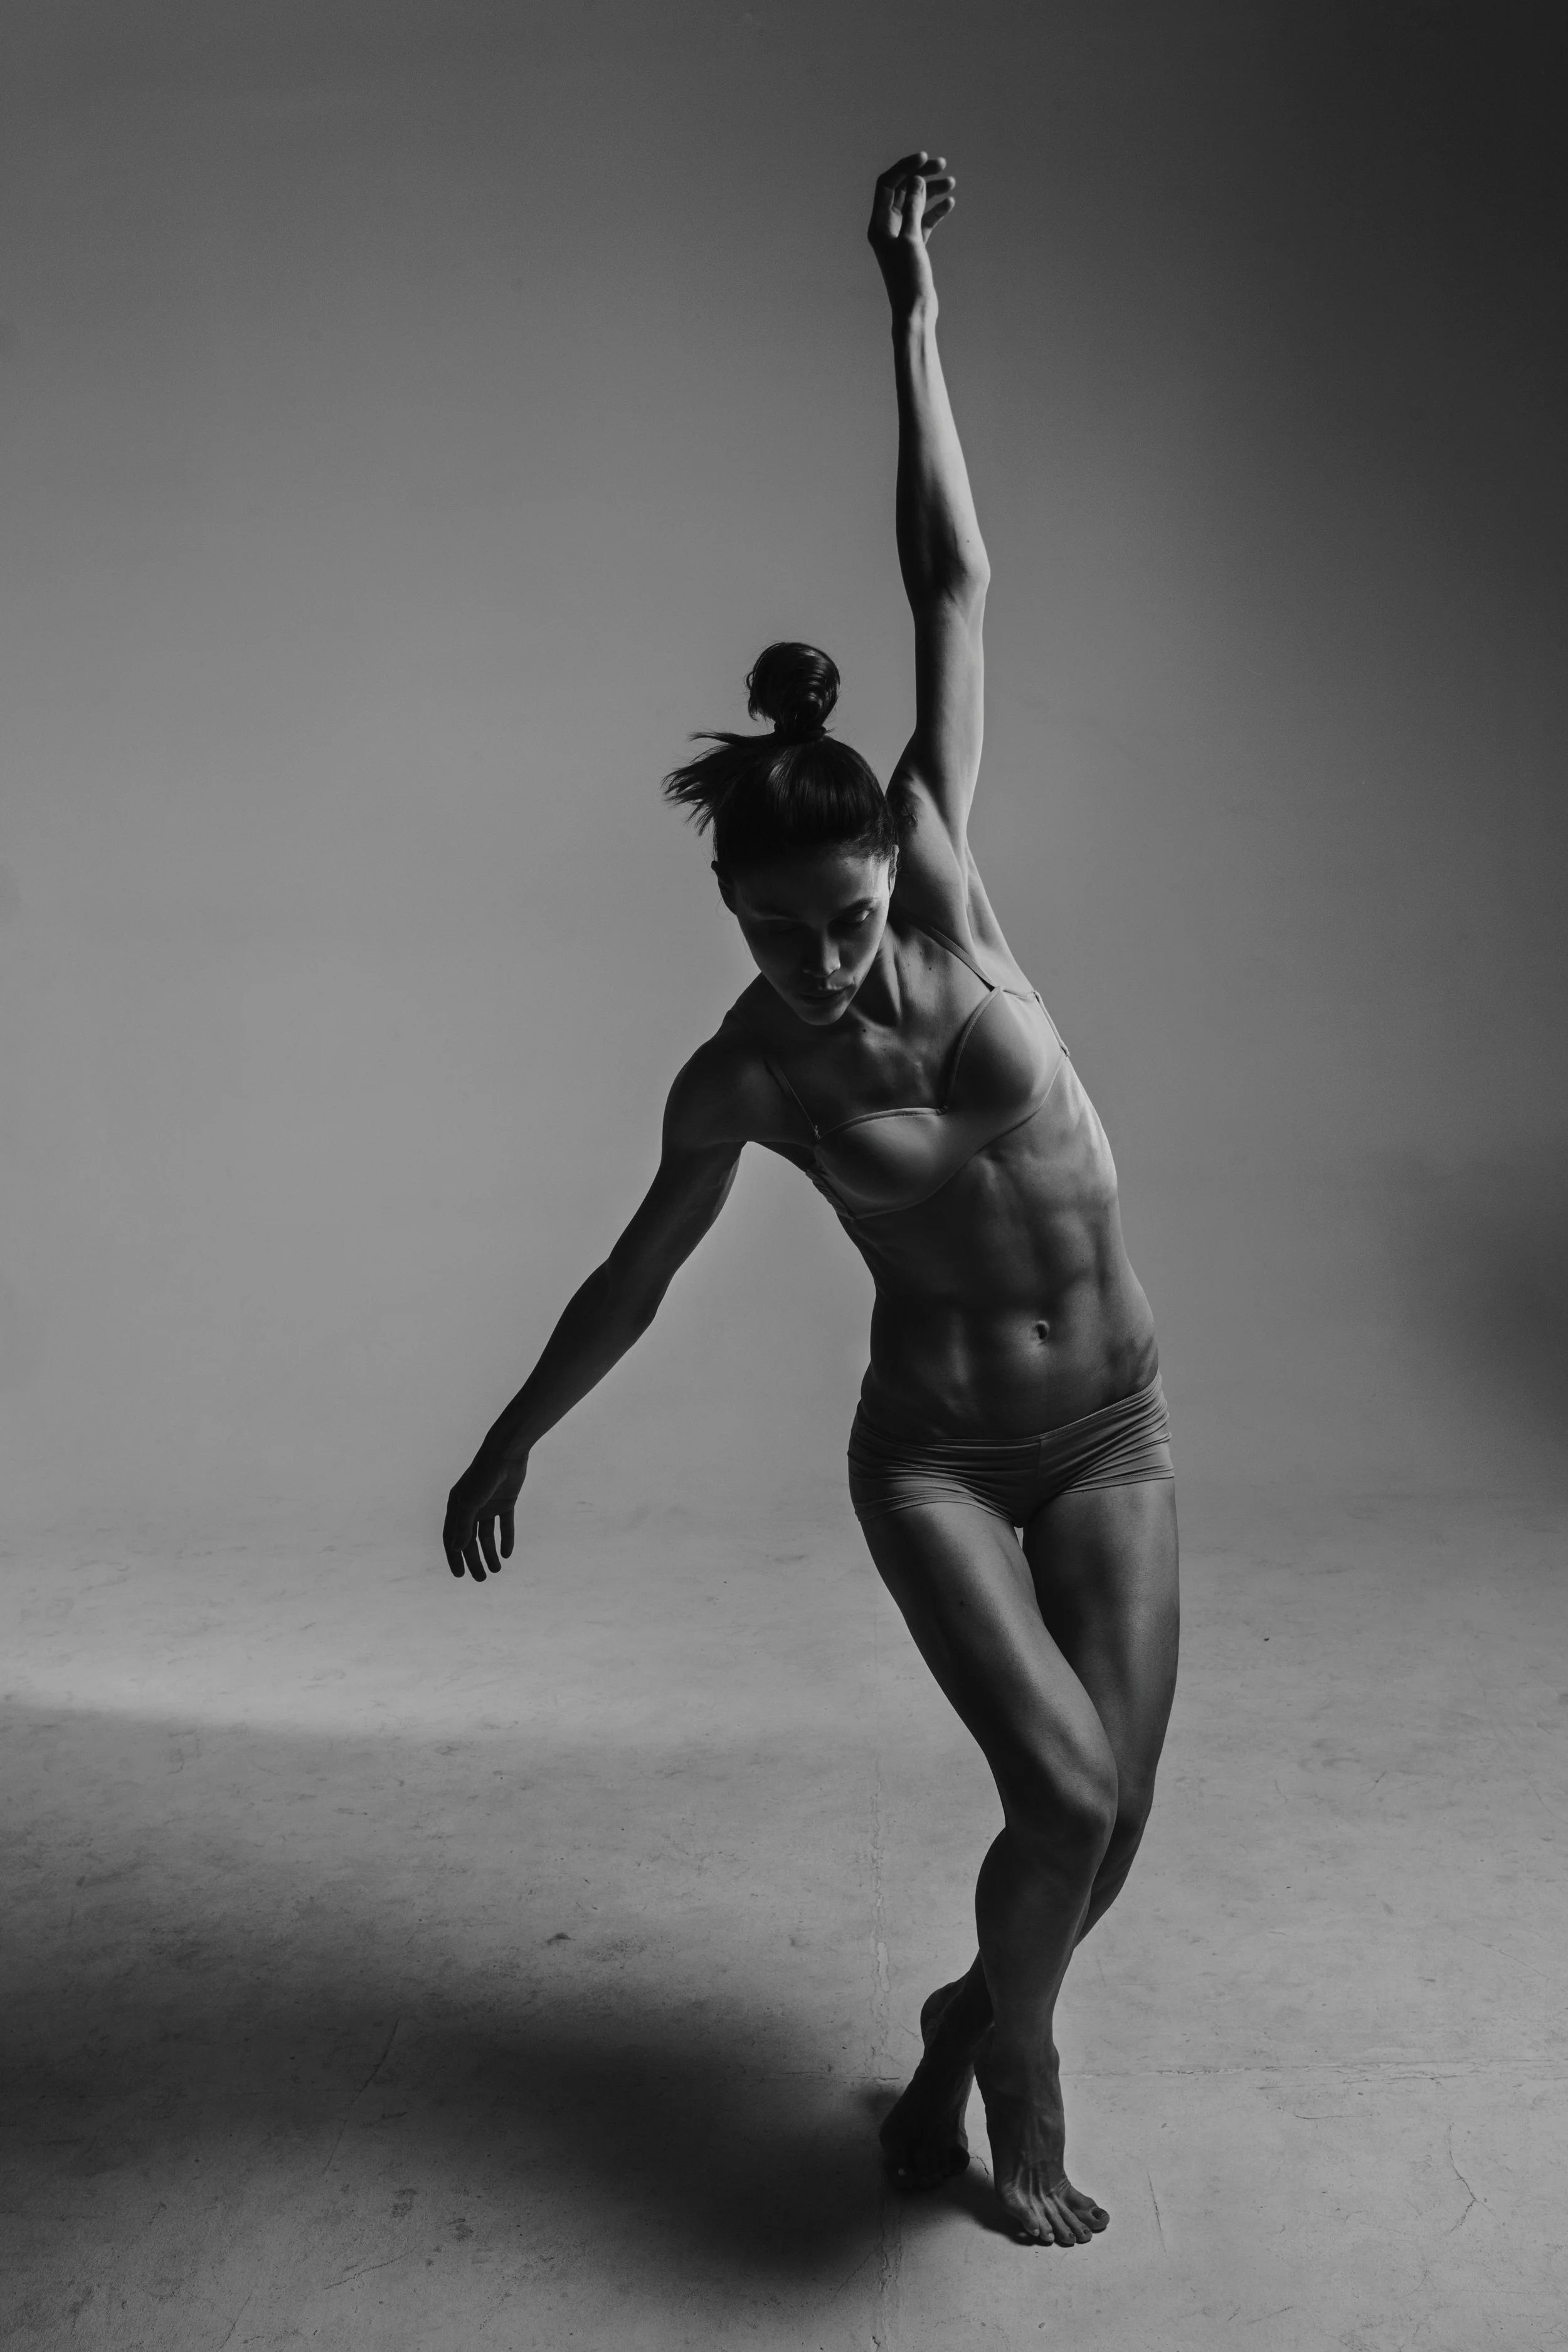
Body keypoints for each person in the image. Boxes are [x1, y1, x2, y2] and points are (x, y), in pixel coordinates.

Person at [443, 152, 1179, 2252]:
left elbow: (948, 579)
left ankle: (954, 2026)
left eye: (841, 918)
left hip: (1119, 1425)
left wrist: (908, 301)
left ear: (888, 872)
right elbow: (636, 1272)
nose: (822, 960)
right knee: (1060, 1796)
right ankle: (1018, 2073)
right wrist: (512, 1432)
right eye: (775, 929)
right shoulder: (743, 1074)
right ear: (730, 910)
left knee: (1105, 1830)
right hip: (940, 1452)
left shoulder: (937, 867)